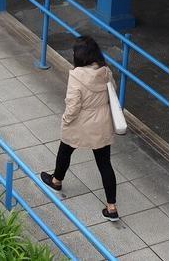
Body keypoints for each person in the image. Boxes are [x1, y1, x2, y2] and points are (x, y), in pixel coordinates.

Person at [40, 36, 119, 221]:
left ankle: (56, 180)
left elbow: (73, 105)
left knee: (65, 149)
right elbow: (112, 91)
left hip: (80, 122)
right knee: (105, 164)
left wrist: (66, 120)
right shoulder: (105, 71)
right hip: (101, 123)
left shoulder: (76, 76)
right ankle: (112, 207)